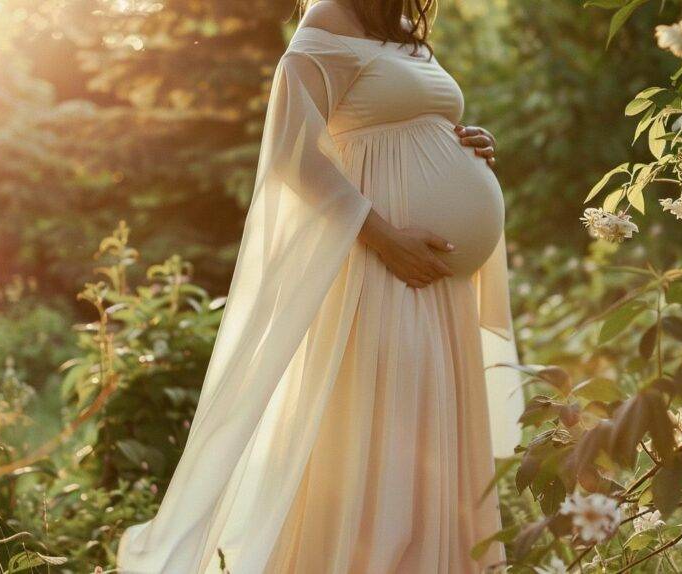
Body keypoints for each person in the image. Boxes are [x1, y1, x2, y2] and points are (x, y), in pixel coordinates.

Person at [117, 1, 523, 571]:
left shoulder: (399, 28)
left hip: (438, 286)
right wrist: (383, 236)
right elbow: (291, 152)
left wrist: (460, 141)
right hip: (382, 270)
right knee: (387, 443)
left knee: (431, 440)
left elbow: (400, 123)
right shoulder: (329, 18)